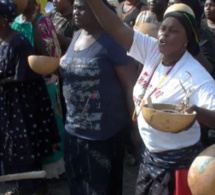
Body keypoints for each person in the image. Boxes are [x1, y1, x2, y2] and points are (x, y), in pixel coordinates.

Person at [86, 1, 215, 195]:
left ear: (186, 40)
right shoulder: (152, 51)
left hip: (177, 167)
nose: (163, 34)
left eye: (173, 31)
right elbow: (115, 27)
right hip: (149, 160)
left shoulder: (195, 76)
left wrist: (197, 113)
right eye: (163, 28)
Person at [59, 0, 138, 194]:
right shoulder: (76, 36)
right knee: (77, 187)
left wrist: (136, 129)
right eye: (75, 6)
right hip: (73, 132)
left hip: (103, 137)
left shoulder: (112, 41)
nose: (76, 11)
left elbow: (131, 86)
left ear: (98, 11)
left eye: (82, 7)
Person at [0, 0, 60, 194]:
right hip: (7, 105)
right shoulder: (3, 40)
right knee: (10, 147)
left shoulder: (18, 42)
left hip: (20, 105)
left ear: (2, 20)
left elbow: (24, 76)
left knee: (23, 148)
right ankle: (18, 185)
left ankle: (31, 187)